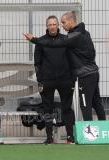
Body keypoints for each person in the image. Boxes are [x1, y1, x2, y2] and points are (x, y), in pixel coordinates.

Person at [23, 11, 106, 121]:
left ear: (71, 21)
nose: (62, 25)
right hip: (93, 73)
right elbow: (91, 53)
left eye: (63, 22)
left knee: (85, 106)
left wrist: (34, 40)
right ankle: (104, 133)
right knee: (97, 103)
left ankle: (89, 136)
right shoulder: (85, 32)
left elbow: (55, 44)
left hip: (85, 76)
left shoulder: (74, 36)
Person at [33, 15, 75, 144]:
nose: (52, 27)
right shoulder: (40, 41)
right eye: (49, 25)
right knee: (47, 109)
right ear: (46, 26)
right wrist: (40, 79)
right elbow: (37, 62)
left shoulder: (65, 40)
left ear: (58, 26)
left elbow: (72, 60)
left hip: (65, 80)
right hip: (47, 81)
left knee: (67, 108)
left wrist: (72, 78)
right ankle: (49, 137)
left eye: (54, 24)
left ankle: (69, 137)